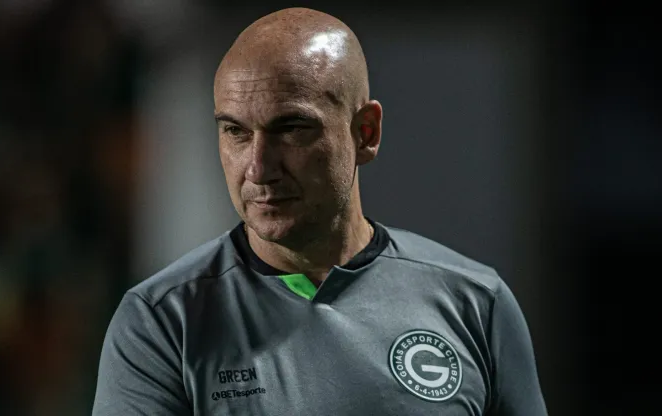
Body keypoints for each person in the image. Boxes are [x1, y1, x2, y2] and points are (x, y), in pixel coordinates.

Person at [92, 7, 547, 416]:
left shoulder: (475, 302)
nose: (258, 168)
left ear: (365, 132)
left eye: (291, 128)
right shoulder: (161, 322)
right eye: (235, 131)